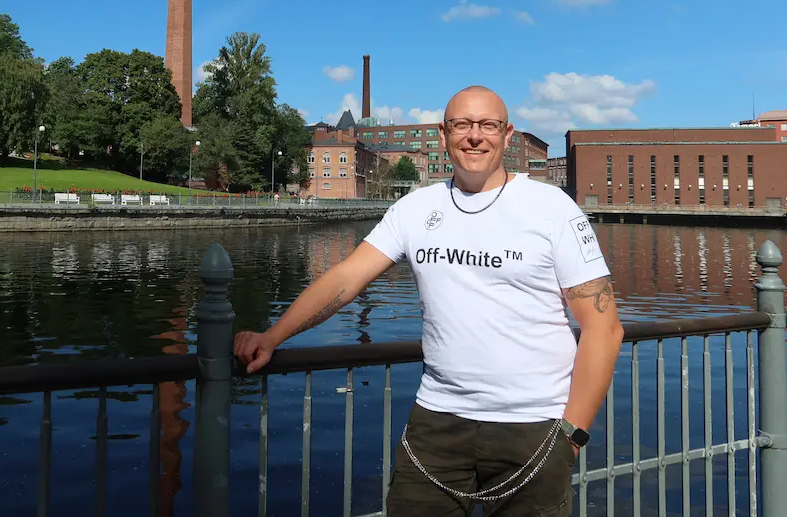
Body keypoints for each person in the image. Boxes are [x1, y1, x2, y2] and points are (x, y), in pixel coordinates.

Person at [234, 86, 624, 516]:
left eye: (488, 125)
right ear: (444, 134)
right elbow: (346, 277)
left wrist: (572, 434)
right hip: (437, 422)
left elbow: (603, 327)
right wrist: (274, 335)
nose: (475, 136)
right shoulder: (415, 208)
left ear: (507, 135)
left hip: (533, 425)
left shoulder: (551, 208)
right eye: (462, 124)